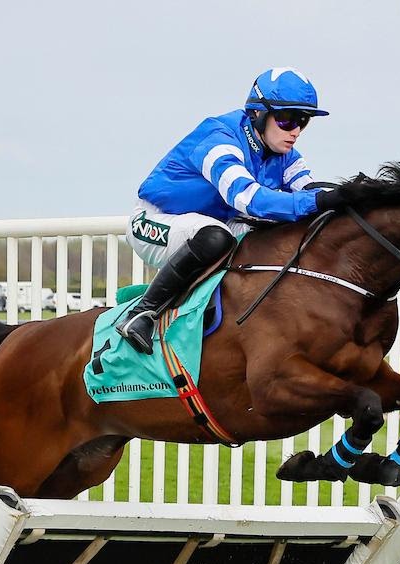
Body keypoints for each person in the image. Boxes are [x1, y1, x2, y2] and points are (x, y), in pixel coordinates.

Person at [116, 67, 351, 354]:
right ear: (258, 114)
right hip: (155, 221)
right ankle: (141, 314)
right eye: (287, 119)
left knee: (274, 236)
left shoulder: (286, 154)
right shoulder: (218, 137)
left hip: (219, 222)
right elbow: (247, 198)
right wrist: (318, 201)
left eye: (303, 121)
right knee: (215, 238)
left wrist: (351, 197)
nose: (296, 131)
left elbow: (310, 190)